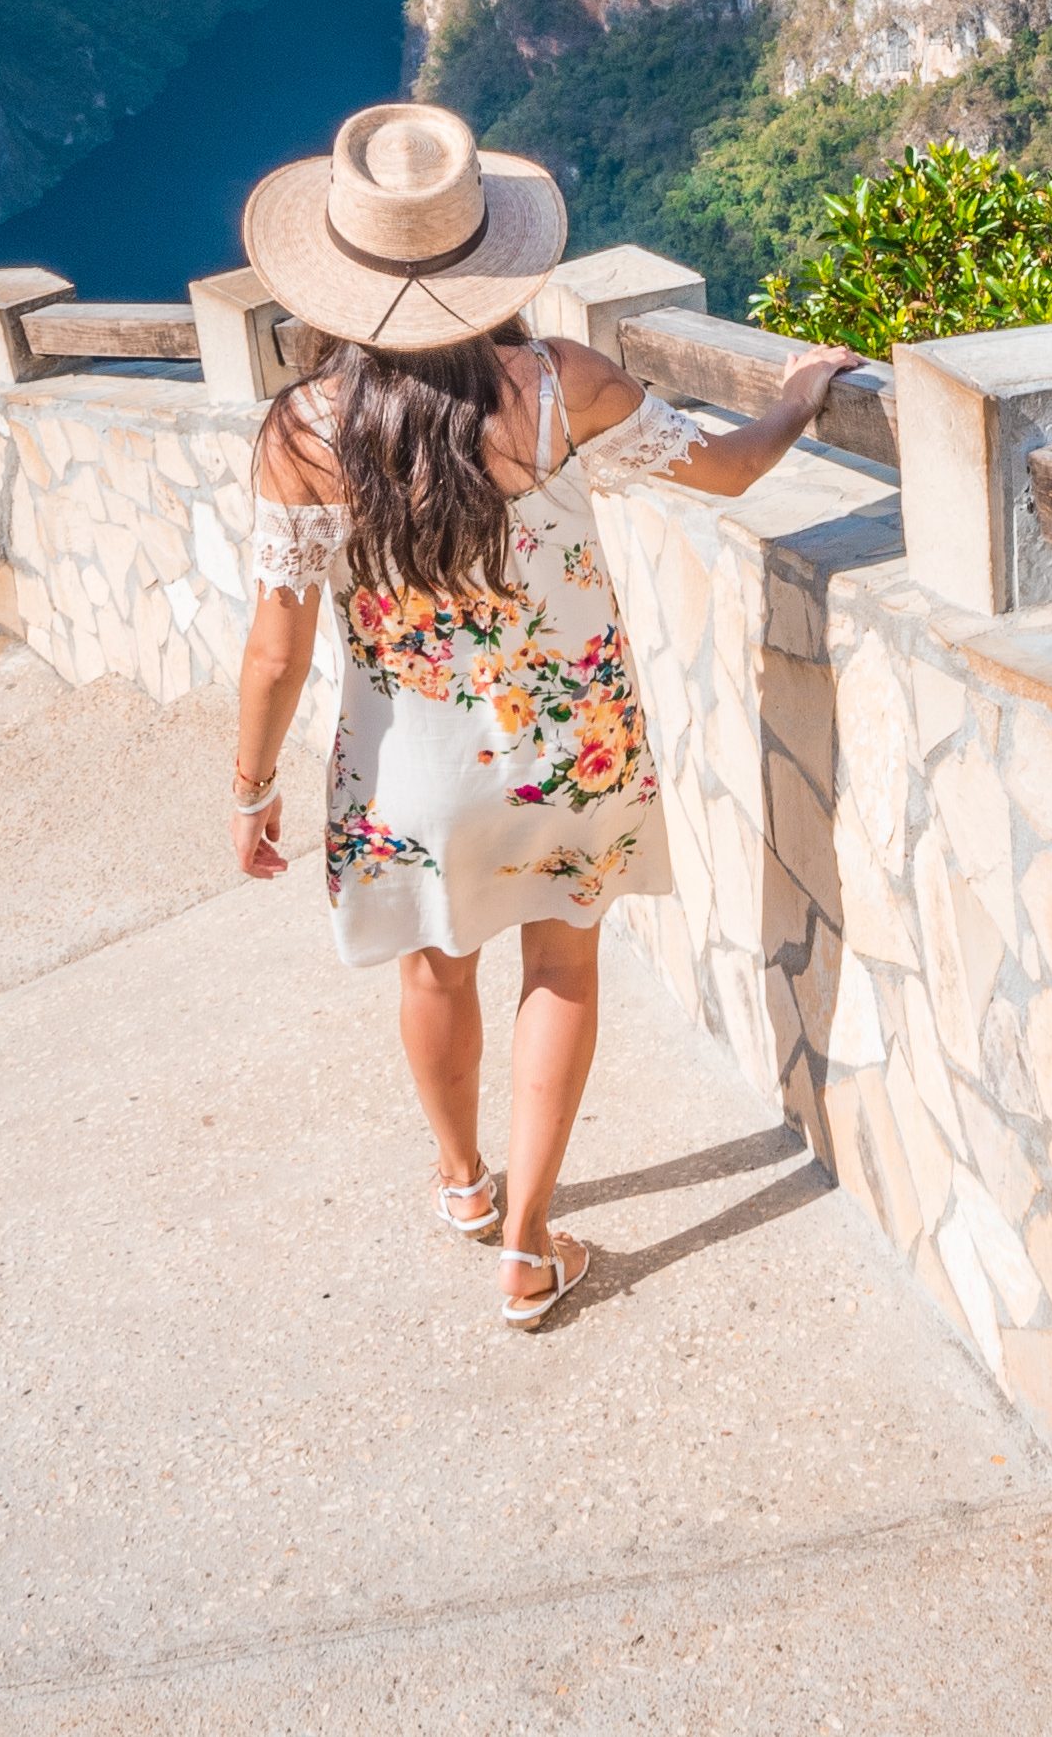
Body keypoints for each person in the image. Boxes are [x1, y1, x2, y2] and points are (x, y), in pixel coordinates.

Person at [219, 102, 846, 1327]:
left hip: (409, 767)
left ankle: (461, 1183)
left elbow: (276, 646)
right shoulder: (565, 387)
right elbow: (726, 471)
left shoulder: (298, 434)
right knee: (561, 959)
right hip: (571, 750)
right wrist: (797, 398)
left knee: (433, 962)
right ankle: (526, 1245)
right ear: (487, 257)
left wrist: (251, 787)